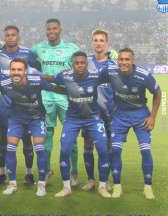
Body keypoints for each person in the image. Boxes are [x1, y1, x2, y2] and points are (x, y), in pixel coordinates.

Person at [47, 51, 112, 198]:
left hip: (93, 118)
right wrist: (36, 76)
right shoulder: (65, 76)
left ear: (87, 64)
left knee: (103, 148)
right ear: (73, 64)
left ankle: (102, 186)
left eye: (82, 63)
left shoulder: (97, 75)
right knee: (65, 149)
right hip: (73, 119)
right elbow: (51, 80)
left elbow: (116, 75)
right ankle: (66, 187)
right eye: (77, 63)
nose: (80, 65)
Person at [0, 58, 65, 196]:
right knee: (10, 148)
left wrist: (72, 91)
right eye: (13, 70)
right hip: (16, 118)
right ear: (10, 71)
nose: (16, 72)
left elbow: (54, 88)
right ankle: (12, 184)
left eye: (19, 70)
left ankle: (41, 184)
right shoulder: (4, 83)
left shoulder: (36, 80)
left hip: (36, 118)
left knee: (39, 147)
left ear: (25, 71)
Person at [0, 25, 40, 186]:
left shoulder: (27, 53)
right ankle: (2, 173)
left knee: (27, 141)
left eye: (13, 35)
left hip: (25, 104)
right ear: (4, 37)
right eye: (7, 35)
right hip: (5, 105)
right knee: (3, 140)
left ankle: (29, 174)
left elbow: (38, 67)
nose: (10, 37)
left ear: (18, 37)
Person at [103, 48, 161, 199]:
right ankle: (117, 187)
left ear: (133, 61)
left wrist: (153, 117)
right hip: (119, 115)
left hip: (140, 114)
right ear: (118, 61)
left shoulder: (143, 75)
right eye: (121, 59)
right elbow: (93, 78)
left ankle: (147, 187)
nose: (123, 62)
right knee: (115, 150)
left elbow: (158, 92)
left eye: (127, 59)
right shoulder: (111, 72)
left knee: (145, 150)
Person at [30, 18, 80, 185]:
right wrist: (0, 47)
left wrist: (111, 55)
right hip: (46, 97)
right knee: (46, 135)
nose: (51, 31)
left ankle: (74, 171)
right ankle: (46, 170)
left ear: (60, 29)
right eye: (48, 29)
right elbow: (21, 55)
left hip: (66, 97)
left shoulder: (72, 48)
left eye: (54, 28)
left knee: (71, 136)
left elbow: (83, 65)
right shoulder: (39, 48)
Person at [81, 29, 116, 191]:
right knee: (88, 144)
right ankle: (90, 180)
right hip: (90, 112)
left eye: (101, 40)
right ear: (92, 42)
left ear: (106, 43)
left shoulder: (114, 63)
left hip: (109, 111)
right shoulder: (85, 62)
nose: (98, 43)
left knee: (107, 147)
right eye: (95, 40)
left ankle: (105, 179)